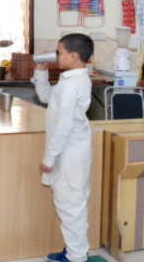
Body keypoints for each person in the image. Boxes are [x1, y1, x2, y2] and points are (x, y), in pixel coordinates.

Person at [33, 34, 94, 262]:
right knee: (72, 206)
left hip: (69, 155)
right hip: (69, 151)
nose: (56, 56)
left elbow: (63, 126)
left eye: (59, 52)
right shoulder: (72, 80)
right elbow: (47, 96)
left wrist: (48, 159)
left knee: (70, 208)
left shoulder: (71, 85)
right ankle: (75, 250)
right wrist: (41, 72)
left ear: (73, 55)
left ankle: (77, 257)